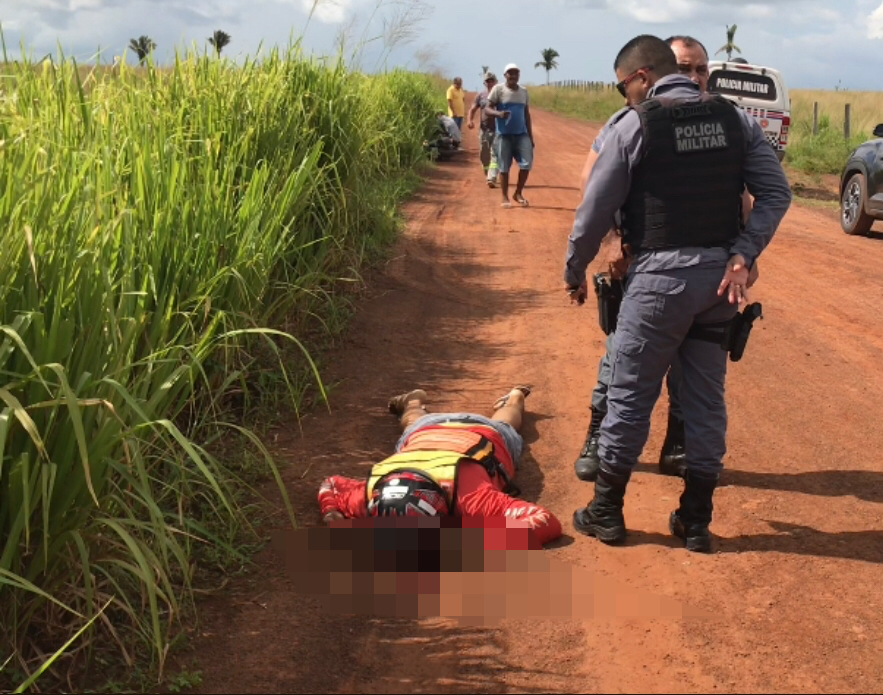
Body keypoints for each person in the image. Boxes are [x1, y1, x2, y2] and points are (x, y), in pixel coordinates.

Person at [562, 35, 791, 553]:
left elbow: (594, 209)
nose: (626, 95)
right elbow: (776, 192)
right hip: (718, 285)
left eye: (625, 86)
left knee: (630, 397)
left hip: (658, 285)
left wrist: (574, 269)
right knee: (707, 403)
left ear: (642, 76)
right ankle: (695, 521)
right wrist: (744, 253)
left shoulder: (635, 124)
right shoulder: (736, 120)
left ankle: (606, 513)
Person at [317, 386, 562, 546]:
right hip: (429, 430)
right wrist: (333, 517)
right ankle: (513, 396)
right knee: (414, 423)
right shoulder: (371, 493)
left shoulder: (471, 497)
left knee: (506, 423)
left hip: (476, 430)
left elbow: (545, 520)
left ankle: (514, 399)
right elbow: (331, 485)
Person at [484, 64, 535, 208]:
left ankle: (518, 193)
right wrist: (498, 114)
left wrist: (531, 137)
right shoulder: (498, 90)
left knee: (526, 164)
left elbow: (526, 114)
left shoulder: (524, 92)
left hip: (521, 134)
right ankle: (504, 196)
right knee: (504, 167)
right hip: (504, 135)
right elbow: (487, 109)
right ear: (505, 75)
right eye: (510, 73)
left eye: (516, 74)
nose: (513, 76)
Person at [467, 71, 501, 188]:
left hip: (498, 129)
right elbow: (472, 109)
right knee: (484, 154)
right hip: (484, 130)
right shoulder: (481, 95)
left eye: (492, 80)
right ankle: (488, 173)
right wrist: (469, 120)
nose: (489, 82)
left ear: (496, 81)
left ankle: (492, 177)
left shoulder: (501, 95)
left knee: (495, 153)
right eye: (487, 81)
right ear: (484, 83)